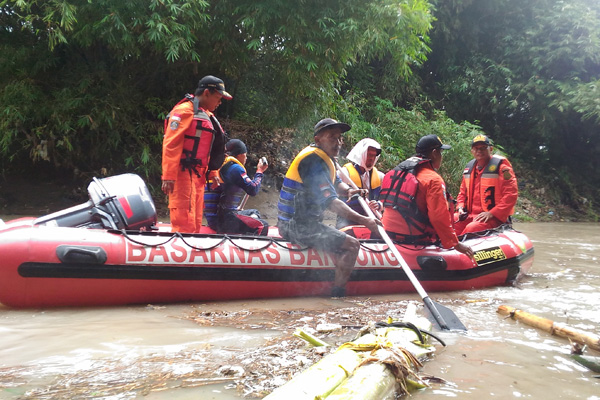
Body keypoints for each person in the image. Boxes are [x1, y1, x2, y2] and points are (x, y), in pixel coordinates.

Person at [277, 118, 382, 297]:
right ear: (318, 139)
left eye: (340, 138)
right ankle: (337, 295)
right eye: (332, 137)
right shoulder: (312, 161)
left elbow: (338, 184)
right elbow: (331, 202)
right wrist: (366, 221)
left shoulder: (326, 158)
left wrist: (350, 191)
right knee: (352, 245)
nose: (338, 142)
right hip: (297, 226)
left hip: (303, 222)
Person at [379, 134, 473, 257]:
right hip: (413, 238)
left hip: (388, 232)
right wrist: (455, 244)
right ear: (434, 153)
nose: (441, 156)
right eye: (440, 152)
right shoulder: (433, 179)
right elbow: (438, 217)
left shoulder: (399, 171)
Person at [161, 75, 232, 233]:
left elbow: (210, 148)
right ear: (206, 92)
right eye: (218, 98)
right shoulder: (184, 112)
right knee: (183, 219)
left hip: (199, 177)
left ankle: (192, 253)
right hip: (182, 175)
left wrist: (213, 172)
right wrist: (168, 176)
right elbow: (171, 144)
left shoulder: (206, 115)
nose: (219, 103)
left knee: (195, 221)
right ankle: (181, 253)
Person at [454, 134, 518, 235]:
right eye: (476, 148)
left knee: (472, 228)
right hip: (470, 214)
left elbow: (511, 195)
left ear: (491, 149)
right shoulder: (469, 170)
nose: (479, 151)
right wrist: (460, 207)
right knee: (452, 220)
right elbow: (462, 193)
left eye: (483, 147)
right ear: (472, 151)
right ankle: (446, 247)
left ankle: (461, 248)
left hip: (493, 217)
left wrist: (492, 213)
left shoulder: (502, 168)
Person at [203, 139, 269, 235]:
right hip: (223, 221)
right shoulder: (234, 168)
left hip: (214, 218)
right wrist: (259, 171)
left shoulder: (218, 164)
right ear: (240, 155)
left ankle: (244, 233)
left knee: (254, 212)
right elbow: (253, 189)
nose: (246, 158)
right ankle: (250, 246)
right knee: (263, 225)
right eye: (245, 155)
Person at [336, 138, 384, 229]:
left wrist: (379, 205)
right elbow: (331, 196)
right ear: (361, 154)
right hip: (347, 218)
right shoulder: (343, 173)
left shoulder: (380, 176)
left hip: (372, 219)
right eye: (369, 155)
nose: (372, 159)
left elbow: (387, 200)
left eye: (374, 156)